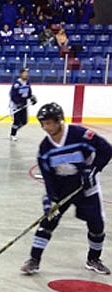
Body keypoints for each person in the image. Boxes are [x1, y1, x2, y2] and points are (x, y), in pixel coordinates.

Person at [21, 103, 112, 275]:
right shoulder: (45, 149)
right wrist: (49, 199)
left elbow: (106, 150)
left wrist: (93, 170)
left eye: (49, 123)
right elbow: (48, 177)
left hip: (85, 186)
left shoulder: (80, 134)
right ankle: (34, 260)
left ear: (58, 121)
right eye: (43, 123)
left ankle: (93, 259)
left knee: (96, 224)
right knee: (48, 221)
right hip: (62, 187)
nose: (46, 127)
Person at [9, 68, 37, 141]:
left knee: (24, 121)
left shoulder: (27, 82)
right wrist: (18, 103)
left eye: (27, 73)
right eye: (24, 73)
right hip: (16, 105)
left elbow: (28, 93)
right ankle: (13, 134)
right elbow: (13, 95)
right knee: (17, 121)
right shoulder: (16, 84)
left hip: (24, 104)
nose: (26, 74)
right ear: (21, 74)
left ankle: (15, 129)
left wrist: (32, 98)